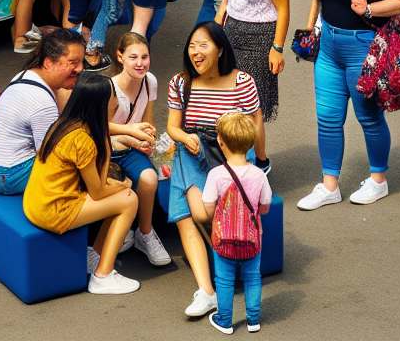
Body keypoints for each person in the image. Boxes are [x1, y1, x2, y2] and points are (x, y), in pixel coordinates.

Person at [297, 0, 400, 211]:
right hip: (329, 47)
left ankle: (378, 180)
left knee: (368, 118)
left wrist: (370, 7)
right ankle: (330, 186)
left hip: (362, 47)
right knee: (328, 118)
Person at [166, 21, 264, 319]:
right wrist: (186, 138)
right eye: (192, 46)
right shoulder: (181, 82)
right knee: (191, 216)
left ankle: (228, 265)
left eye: (203, 45)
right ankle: (207, 291)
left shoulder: (242, 82)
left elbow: (254, 123)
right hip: (192, 153)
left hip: (230, 154)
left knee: (204, 213)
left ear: (220, 50)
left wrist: (259, 161)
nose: (196, 52)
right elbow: (172, 126)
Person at [23, 75, 141, 295]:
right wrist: (123, 185)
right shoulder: (84, 139)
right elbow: (97, 192)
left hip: (36, 202)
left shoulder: (65, 123)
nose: (117, 101)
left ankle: (95, 256)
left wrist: (127, 131)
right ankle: (103, 276)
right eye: (113, 96)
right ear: (101, 103)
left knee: (115, 193)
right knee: (129, 199)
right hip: (53, 211)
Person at [195, 111, 273, 334]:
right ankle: (254, 320)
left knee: (225, 279)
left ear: (221, 142)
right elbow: (265, 205)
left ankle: (225, 320)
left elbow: (208, 206)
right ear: (250, 143)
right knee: (252, 277)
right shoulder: (259, 174)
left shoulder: (216, 175)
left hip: (223, 239)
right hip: (251, 239)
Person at [216, 0, 289, 143]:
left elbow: (283, 9)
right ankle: (235, 155)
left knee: (251, 107)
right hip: (231, 35)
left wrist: (277, 48)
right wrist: (215, 32)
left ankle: (261, 161)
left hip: (259, 40)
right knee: (228, 100)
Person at [0, 30, 85, 194]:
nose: (80, 68)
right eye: (73, 62)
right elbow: (50, 155)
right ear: (48, 62)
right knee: (83, 163)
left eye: (81, 61)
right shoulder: (42, 103)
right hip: (7, 175)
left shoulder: (25, 75)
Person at [108, 32, 171, 266]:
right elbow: (102, 131)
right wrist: (133, 137)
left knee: (149, 178)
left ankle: (145, 233)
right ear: (120, 57)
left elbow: (149, 121)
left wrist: (149, 139)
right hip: (109, 149)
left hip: (132, 148)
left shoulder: (149, 81)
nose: (140, 63)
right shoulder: (110, 88)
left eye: (144, 57)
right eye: (133, 57)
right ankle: (119, 228)